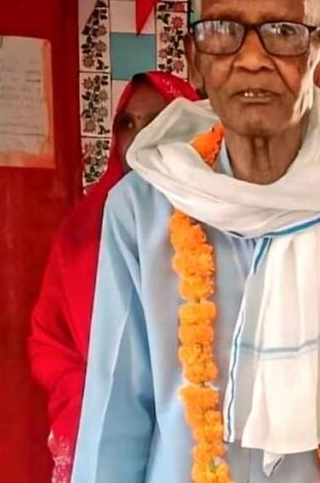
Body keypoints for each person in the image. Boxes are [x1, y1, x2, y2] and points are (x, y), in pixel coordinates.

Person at [71, 0, 320, 483]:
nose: (253, 59)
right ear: (195, 61)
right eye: (223, 31)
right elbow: (114, 420)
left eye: (284, 32)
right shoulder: (141, 210)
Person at [29, 71, 199, 482]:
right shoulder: (82, 229)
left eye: (156, 121)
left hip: (192, 429)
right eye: (127, 123)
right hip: (100, 422)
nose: (139, 137)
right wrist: (90, 396)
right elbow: (47, 338)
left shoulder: (218, 221)